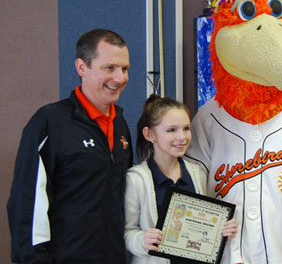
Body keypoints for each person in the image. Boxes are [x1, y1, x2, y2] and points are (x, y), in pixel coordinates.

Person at [7, 28, 133, 263]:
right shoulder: (48, 124)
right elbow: (27, 205)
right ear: (81, 67)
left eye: (124, 68)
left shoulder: (120, 124)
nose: (120, 78)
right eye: (110, 68)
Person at [124, 94, 237, 264]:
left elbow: (204, 224)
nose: (182, 137)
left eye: (186, 128)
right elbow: (127, 232)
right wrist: (142, 240)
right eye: (171, 130)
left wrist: (221, 231)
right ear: (149, 134)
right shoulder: (136, 180)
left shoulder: (197, 173)